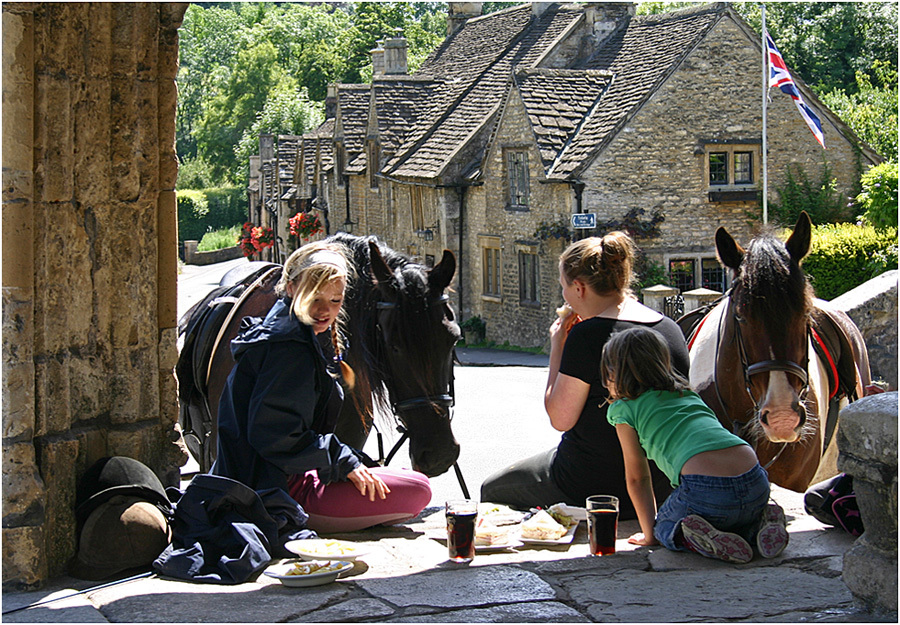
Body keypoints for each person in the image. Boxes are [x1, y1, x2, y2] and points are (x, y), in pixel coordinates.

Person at [212, 241, 431, 532]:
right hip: (278, 491)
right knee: (419, 489)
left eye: (335, 301)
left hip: (277, 476)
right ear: (290, 288)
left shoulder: (288, 330)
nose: (323, 311)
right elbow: (274, 437)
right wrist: (343, 460)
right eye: (314, 298)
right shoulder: (290, 348)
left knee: (399, 478)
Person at [481, 232, 686, 520]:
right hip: (660, 485)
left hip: (590, 484)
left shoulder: (587, 336)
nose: (563, 295)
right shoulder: (669, 330)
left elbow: (560, 418)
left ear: (579, 287)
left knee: (492, 490)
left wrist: (558, 347)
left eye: (563, 286)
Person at [601, 326, 789, 563]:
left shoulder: (623, 409)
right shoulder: (688, 395)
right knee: (733, 513)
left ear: (614, 374)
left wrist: (650, 535)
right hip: (755, 480)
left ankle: (695, 538)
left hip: (707, 490)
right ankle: (761, 523)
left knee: (665, 526)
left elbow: (637, 478)